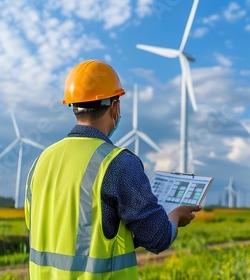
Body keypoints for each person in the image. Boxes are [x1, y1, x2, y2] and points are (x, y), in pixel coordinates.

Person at [24, 60, 201, 279]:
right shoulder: (118, 163)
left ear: (74, 107)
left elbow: (65, 230)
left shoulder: (41, 161)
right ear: (115, 106)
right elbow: (157, 237)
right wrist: (175, 216)